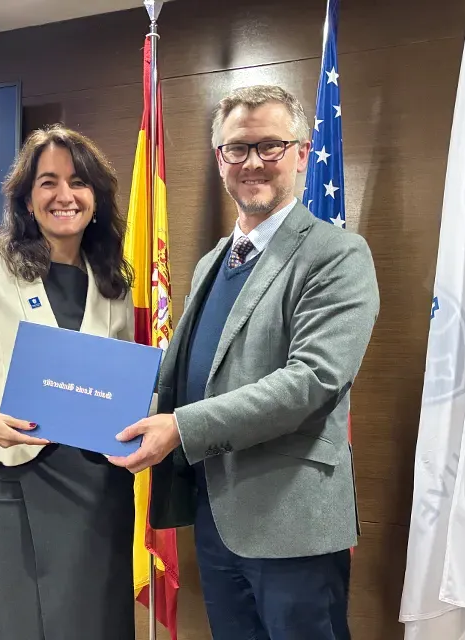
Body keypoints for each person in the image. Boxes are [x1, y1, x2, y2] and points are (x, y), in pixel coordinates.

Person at [108, 85, 380, 639]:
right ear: (219, 160)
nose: (253, 162)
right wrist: (96, 400)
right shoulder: (214, 260)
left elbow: (312, 381)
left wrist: (181, 426)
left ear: (303, 154)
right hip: (217, 517)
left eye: (271, 146)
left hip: (291, 524)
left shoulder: (335, 254)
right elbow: (187, 376)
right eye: (238, 149)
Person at [0, 124, 137, 640]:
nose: (64, 196)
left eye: (79, 182)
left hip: (101, 489)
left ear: (97, 196)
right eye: (48, 182)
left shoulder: (116, 278)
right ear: (26, 197)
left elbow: (124, 377)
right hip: (13, 483)